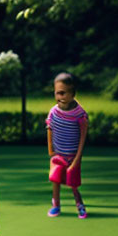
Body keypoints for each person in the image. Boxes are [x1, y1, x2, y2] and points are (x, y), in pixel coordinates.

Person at [46, 72, 88, 218]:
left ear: (72, 94)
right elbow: (50, 128)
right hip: (58, 155)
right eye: (57, 93)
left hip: (73, 155)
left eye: (63, 93)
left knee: (73, 183)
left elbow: (83, 136)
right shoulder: (53, 112)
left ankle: (80, 205)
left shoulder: (80, 114)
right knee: (56, 180)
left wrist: (77, 159)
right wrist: (51, 150)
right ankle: (56, 205)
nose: (60, 97)